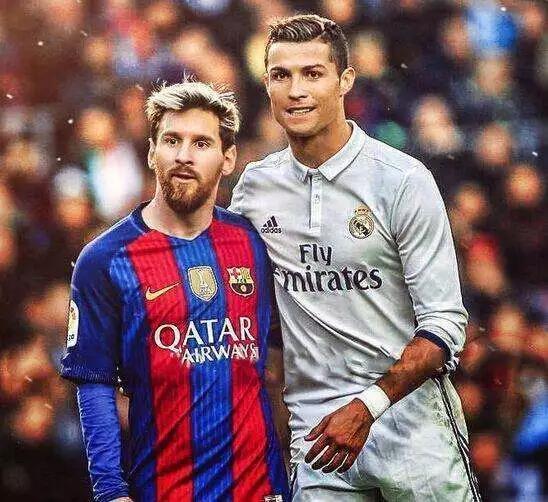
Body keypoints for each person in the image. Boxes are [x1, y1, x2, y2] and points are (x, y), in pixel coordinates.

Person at [229, 14, 481, 501]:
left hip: (413, 429)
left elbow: (446, 325)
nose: (296, 90)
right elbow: (251, 319)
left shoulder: (401, 180)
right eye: (281, 75)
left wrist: (367, 406)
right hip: (317, 437)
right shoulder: (254, 190)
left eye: (313, 73)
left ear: (345, 80)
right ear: (267, 85)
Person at [60, 81, 289, 502]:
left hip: (262, 489)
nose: (184, 155)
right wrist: (110, 491)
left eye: (201, 143)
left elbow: (279, 356)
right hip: (165, 490)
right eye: (171, 140)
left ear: (228, 158)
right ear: (151, 152)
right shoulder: (104, 260)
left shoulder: (254, 243)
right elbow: (94, 384)